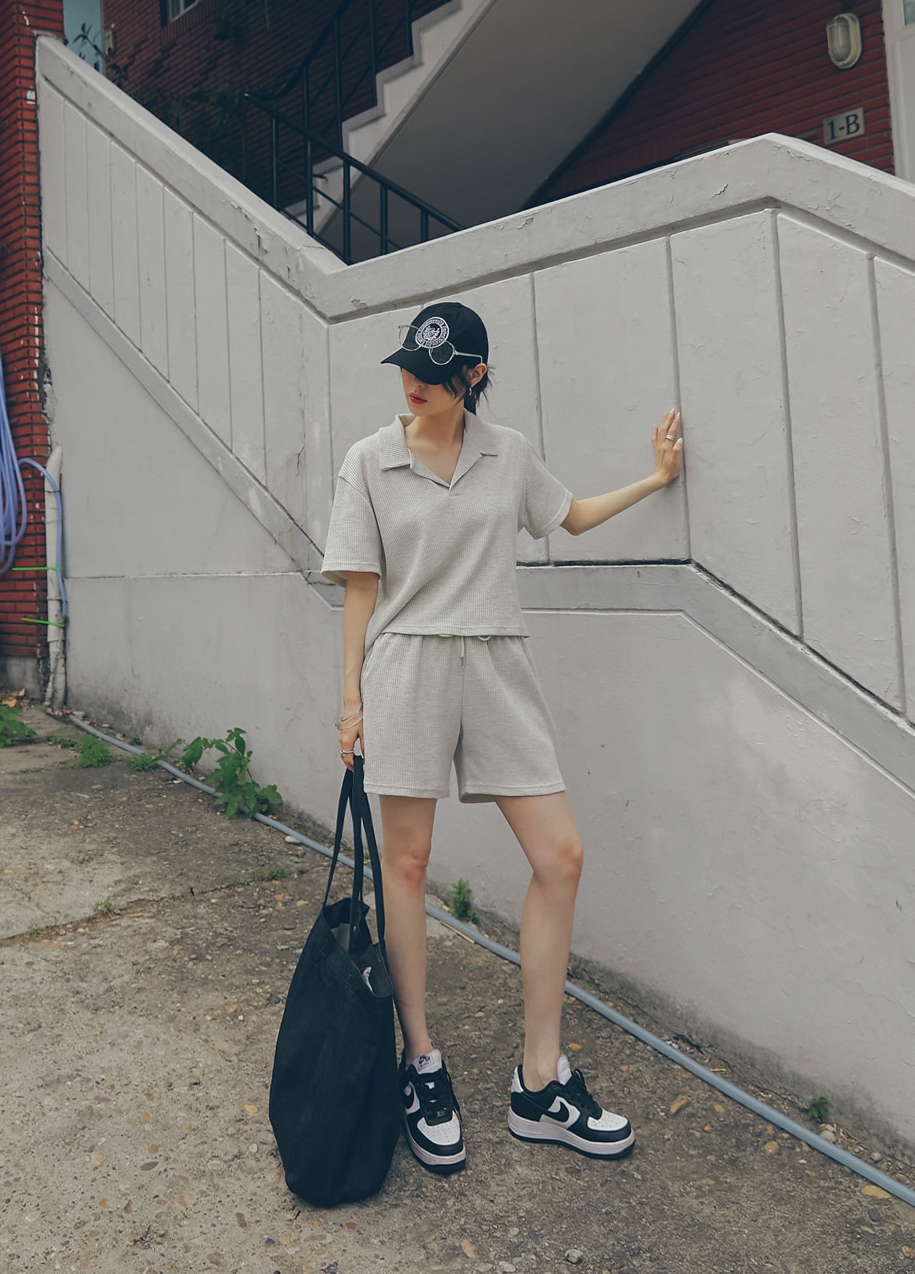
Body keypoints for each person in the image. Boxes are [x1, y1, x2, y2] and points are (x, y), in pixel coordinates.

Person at [321, 301, 683, 1176]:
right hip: (406, 664)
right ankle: (421, 1062)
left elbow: (570, 516)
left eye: (433, 371)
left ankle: (539, 1080)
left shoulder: (508, 453)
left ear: (473, 374)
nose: (413, 382)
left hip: (495, 662)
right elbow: (361, 588)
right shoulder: (369, 460)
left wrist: (654, 480)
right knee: (408, 865)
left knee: (561, 855)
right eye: (407, 366)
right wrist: (350, 701)